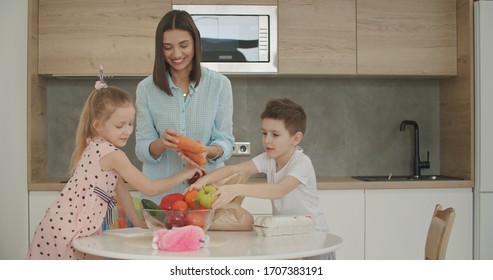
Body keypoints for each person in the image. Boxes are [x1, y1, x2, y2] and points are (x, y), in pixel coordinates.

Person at [27, 77, 201, 260]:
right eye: (119, 125)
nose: (127, 131)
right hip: (71, 229)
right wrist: (185, 172)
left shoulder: (94, 145)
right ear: (97, 126)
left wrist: (137, 221)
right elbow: (150, 188)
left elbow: (120, 188)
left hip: (61, 223)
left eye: (130, 124)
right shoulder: (112, 155)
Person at [189, 98, 334, 260]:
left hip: (314, 240)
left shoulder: (301, 163)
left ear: (296, 138)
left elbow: (278, 190)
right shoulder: (269, 159)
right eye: (264, 133)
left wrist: (236, 189)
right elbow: (233, 169)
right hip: (289, 236)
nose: (267, 140)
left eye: (275, 135)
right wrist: (203, 181)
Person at [135, 10, 234, 205]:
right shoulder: (146, 89)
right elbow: (141, 148)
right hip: (160, 197)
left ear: (195, 44)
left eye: (183, 45)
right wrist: (161, 144)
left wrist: (208, 150)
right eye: (168, 47)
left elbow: (226, 141)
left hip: (206, 195)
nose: (176, 54)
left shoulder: (220, 85)